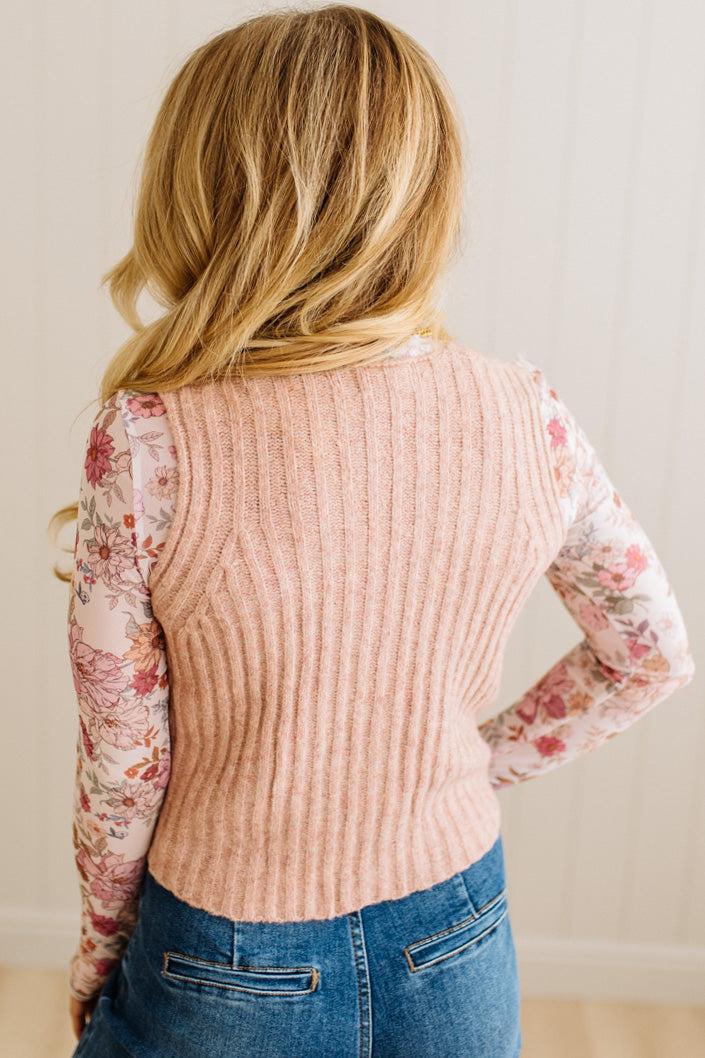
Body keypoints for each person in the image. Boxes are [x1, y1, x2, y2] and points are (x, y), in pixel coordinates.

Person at [50, 5, 695, 1056]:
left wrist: (94, 957)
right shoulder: (525, 414)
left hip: (222, 951)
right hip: (457, 926)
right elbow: (652, 652)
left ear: (200, 192)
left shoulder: (153, 440)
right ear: (422, 198)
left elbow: (125, 767)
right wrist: (467, 765)